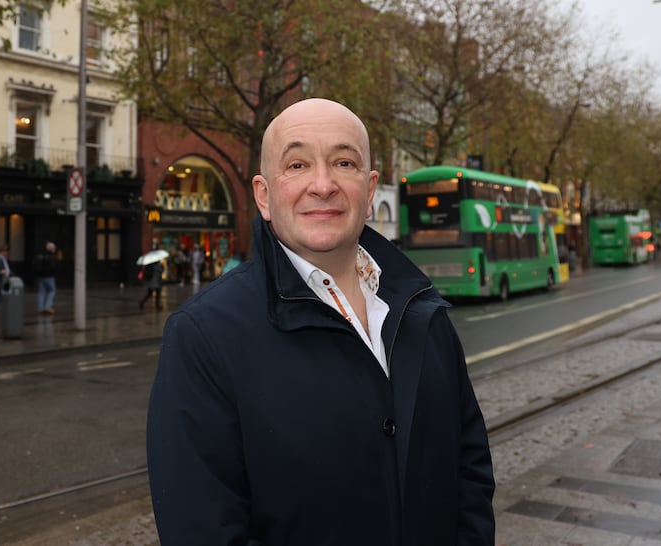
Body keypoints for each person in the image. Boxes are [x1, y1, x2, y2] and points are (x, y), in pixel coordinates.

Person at [147, 98, 495, 545]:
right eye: (297, 164)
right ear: (263, 195)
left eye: (344, 162)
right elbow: (204, 528)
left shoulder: (424, 312)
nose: (323, 184)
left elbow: (470, 471)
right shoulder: (202, 336)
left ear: (369, 191)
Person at [33, 241, 58, 315]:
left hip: (40, 277)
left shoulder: (40, 255)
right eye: (54, 248)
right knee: (52, 291)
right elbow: (53, 267)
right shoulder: (51, 256)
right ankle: (48, 306)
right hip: (49, 277)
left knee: (41, 293)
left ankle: (40, 308)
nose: (55, 250)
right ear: (52, 249)